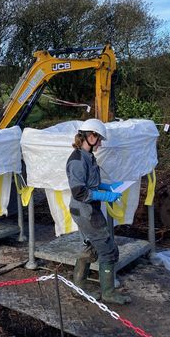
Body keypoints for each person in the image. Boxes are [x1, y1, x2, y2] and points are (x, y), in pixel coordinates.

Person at [65, 118, 131, 305]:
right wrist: (105, 196)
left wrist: (107, 187)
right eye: (99, 138)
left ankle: (79, 288)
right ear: (89, 136)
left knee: (89, 247)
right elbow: (79, 192)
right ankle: (108, 293)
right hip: (85, 211)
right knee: (108, 251)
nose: (101, 143)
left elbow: (90, 183)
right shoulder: (77, 160)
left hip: (87, 209)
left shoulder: (87, 156)